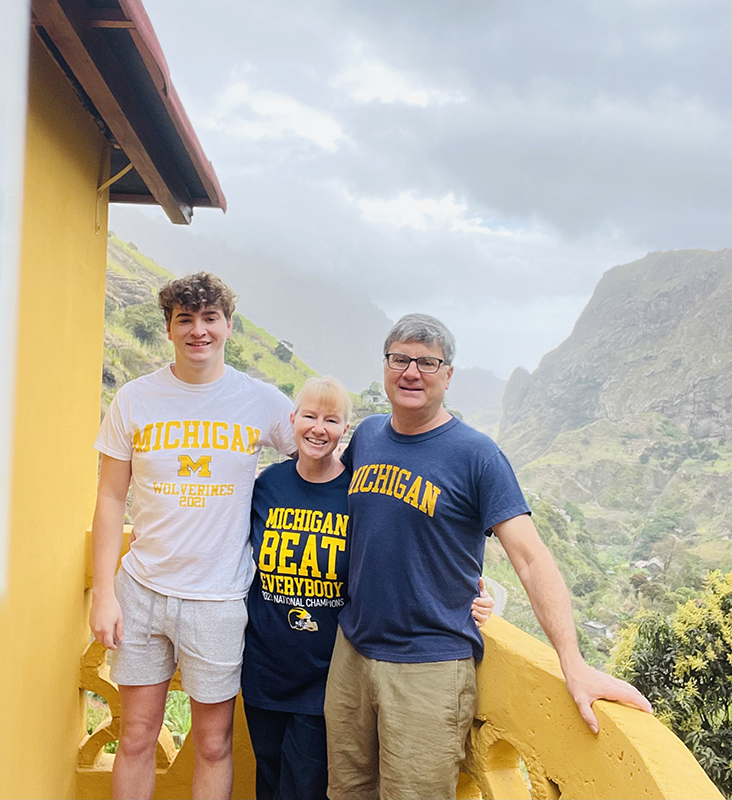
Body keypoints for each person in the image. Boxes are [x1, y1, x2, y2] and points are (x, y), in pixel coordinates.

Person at [324, 313, 653, 800]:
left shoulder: (476, 455)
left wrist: (573, 663)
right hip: (352, 651)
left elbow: (531, 559)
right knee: (345, 791)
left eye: (427, 362)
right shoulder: (368, 436)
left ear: (448, 375)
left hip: (429, 667)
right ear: (386, 365)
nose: (411, 372)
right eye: (400, 359)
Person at [89, 273, 295, 800]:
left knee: (212, 743)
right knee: (134, 736)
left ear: (228, 325)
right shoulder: (135, 399)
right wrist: (105, 593)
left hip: (220, 598)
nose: (198, 331)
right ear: (169, 328)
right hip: (141, 591)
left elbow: (320, 455)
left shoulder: (259, 400)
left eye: (209, 319)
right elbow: (112, 497)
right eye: (185, 319)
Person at [240, 376, 494, 800]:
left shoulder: (356, 491)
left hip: (327, 673)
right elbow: (225, 542)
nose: (319, 428)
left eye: (332, 419)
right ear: (292, 420)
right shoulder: (268, 486)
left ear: (346, 430)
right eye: (309, 416)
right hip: (265, 666)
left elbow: (400, 548)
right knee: (267, 781)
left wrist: (473, 595)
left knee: (306, 788)